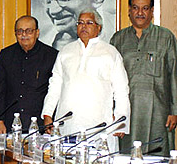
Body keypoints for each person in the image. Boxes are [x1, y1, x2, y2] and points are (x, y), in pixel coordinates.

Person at [41, 9, 130, 151]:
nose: (83, 26)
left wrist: (121, 122)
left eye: (89, 23)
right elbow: (55, 85)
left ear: (98, 27)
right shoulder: (66, 51)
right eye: (80, 23)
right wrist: (47, 114)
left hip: (100, 123)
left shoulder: (110, 52)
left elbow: (121, 89)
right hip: (68, 122)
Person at [110, 0, 177, 156]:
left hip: (159, 111)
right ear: (129, 11)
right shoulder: (118, 39)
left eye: (145, 8)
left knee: (157, 156)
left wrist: (174, 111)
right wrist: (111, 110)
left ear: (152, 11)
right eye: (135, 8)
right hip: (127, 111)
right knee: (126, 155)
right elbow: (110, 80)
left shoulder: (165, 37)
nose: (140, 13)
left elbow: (174, 75)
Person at [0, 15, 58, 134]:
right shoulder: (6, 55)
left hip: (39, 123)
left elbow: (54, 91)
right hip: (10, 123)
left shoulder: (51, 55)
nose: (24, 35)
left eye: (29, 31)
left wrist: (50, 118)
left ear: (37, 33)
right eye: (20, 31)